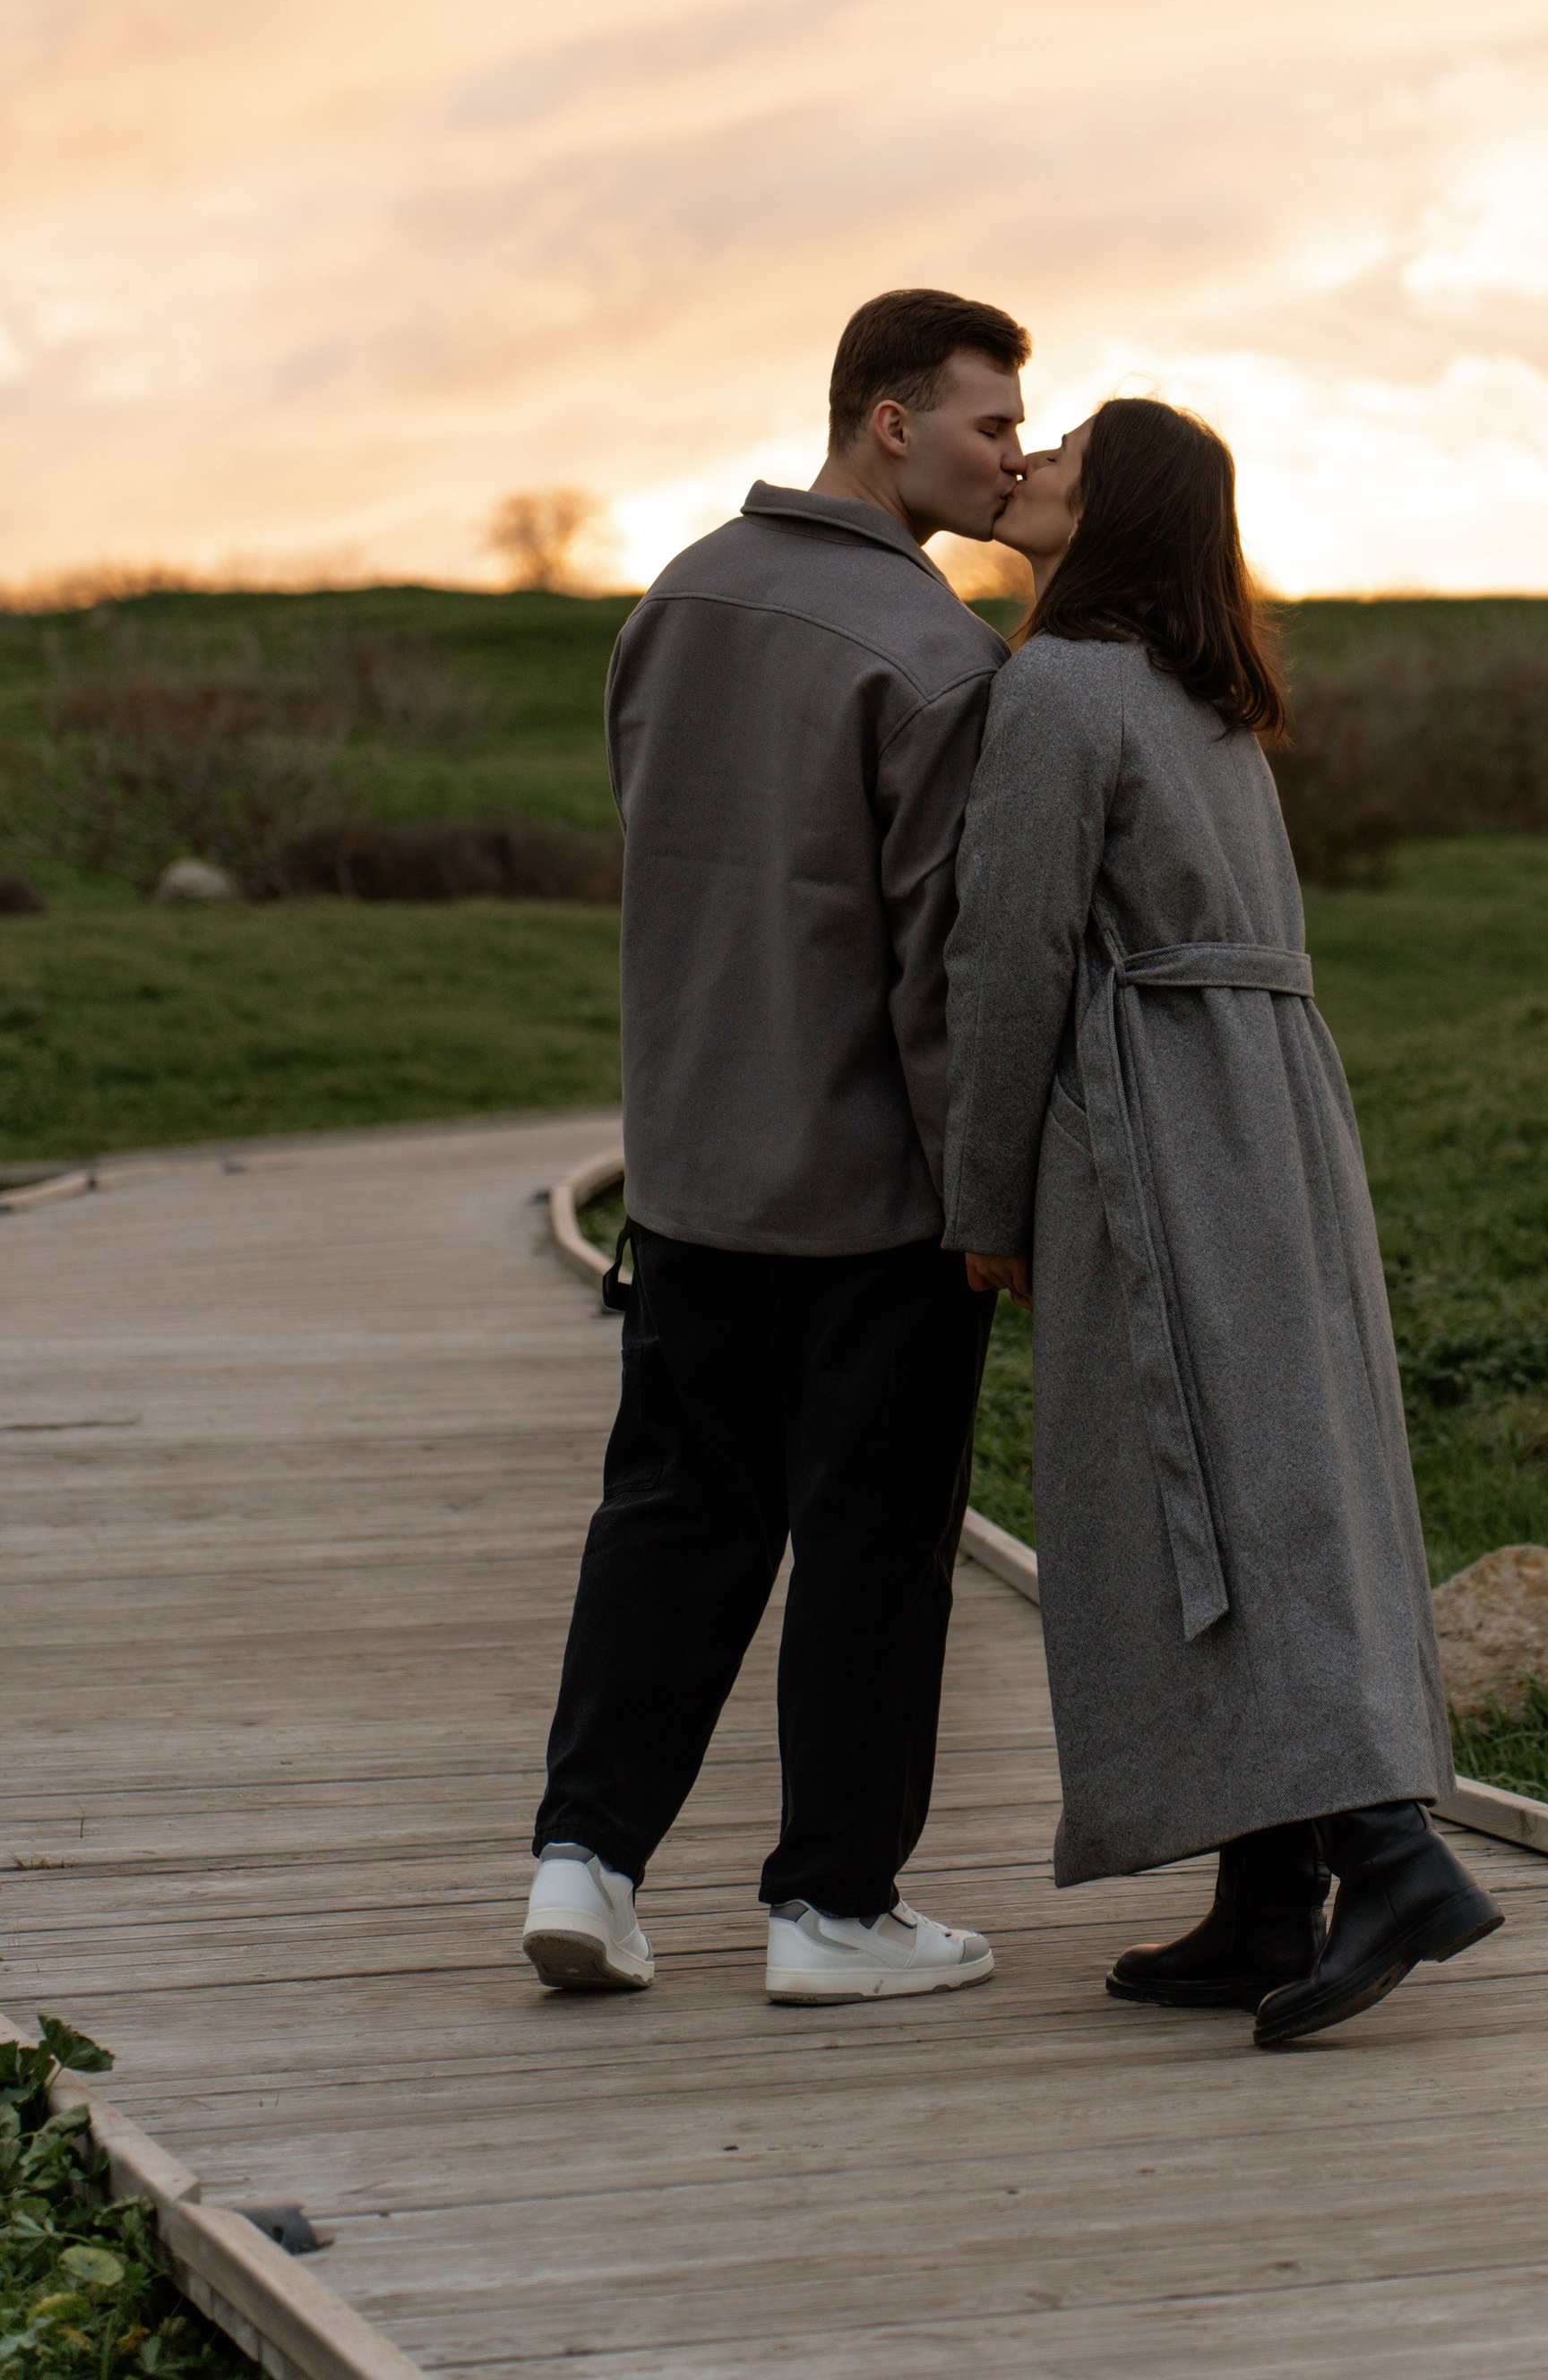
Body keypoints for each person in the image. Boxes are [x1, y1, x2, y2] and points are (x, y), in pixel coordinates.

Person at [941, 400, 1501, 2049]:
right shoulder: (1214, 706)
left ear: (1111, 519)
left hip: (1155, 1121)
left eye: (1067, 465)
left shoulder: (1058, 686)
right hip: (1275, 1119)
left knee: (1211, 1487)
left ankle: (1389, 1858)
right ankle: (1269, 1900)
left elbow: (1013, 961)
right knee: (1269, 1472)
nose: (1029, 467)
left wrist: (984, 1198)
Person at [522, 288, 1029, 2006]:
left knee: (671, 1516)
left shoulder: (674, 601)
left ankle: (584, 1861)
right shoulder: (940, 655)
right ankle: (832, 1910)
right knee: (873, 1548)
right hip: (871, 1197)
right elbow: (941, 964)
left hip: (684, 1174)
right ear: (890, 421)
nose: (1013, 458)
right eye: (990, 424)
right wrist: (990, 1197)